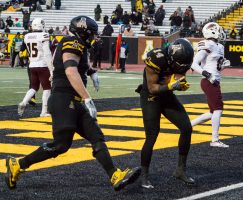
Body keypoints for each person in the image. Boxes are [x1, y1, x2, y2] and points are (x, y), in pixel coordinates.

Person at [5, 15, 141, 191]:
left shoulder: (77, 45)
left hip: (72, 100)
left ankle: (115, 175)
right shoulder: (72, 42)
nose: (94, 37)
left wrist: (90, 71)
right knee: (61, 145)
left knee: (96, 136)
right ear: (82, 33)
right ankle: (18, 164)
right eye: (91, 34)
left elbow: (74, 64)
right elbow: (70, 70)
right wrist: (87, 98)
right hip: (64, 98)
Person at [137, 38, 194, 188]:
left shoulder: (181, 58)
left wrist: (181, 84)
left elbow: (179, 75)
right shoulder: (156, 58)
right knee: (152, 135)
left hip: (167, 96)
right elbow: (152, 88)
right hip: (151, 98)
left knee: (187, 128)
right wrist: (172, 86)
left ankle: (180, 170)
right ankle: (144, 176)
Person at [190, 22, 231, 148]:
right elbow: (194, 64)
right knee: (218, 108)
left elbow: (215, 67)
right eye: (219, 30)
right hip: (208, 81)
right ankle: (215, 140)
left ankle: (188, 125)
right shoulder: (208, 44)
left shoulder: (219, 46)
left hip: (214, 80)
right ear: (212, 31)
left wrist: (222, 66)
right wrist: (207, 74)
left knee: (213, 112)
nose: (222, 32)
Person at [17, 18, 53, 117]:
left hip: (32, 65)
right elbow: (47, 53)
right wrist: (51, 69)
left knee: (34, 87)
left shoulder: (27, 36)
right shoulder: (44, 35)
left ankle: (24, 102)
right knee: (47, 88)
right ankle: (44, 111)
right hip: (43, 65)